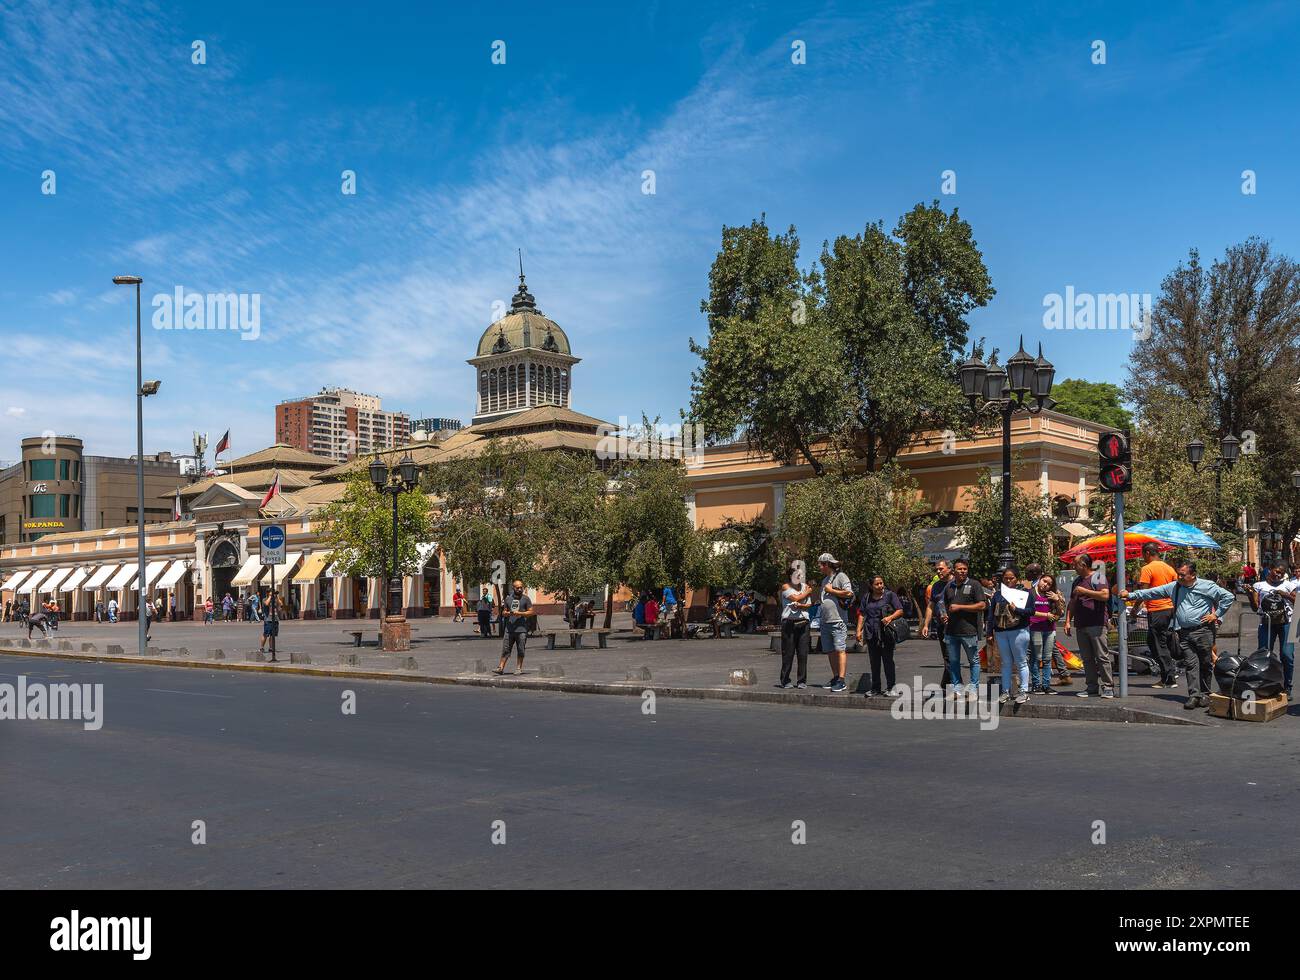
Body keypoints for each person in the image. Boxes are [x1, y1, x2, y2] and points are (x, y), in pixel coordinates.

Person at [1123, 560, 1235, 709]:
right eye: (1178, 575)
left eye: (1183, 575)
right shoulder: (1174, 587)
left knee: (1205, 663)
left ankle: (1205, 694)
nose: (1179, 578)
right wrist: (1130, 595)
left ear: (1193, 575)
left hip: (1204, 631)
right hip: (1184, 632)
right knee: (1191, 664)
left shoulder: (1206, 586)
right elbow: (1152, 592)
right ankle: (1194, 695)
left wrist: (1217, 615)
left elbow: (1228, 597)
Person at [1130, 542, 1180, 688]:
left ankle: (1169, 678)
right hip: (1169, 609)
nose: (1142, 557)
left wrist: (1135, 610)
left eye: (1142, 554)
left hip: (1157, 610)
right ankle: (1168, 674)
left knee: (1158, 643)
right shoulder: (1169, 568)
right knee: (1154, 641)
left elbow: (1143, 593)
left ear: (1147, 553)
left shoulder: (1147, 568)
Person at [1064, 556, 1114, 699]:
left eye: (1076, 565)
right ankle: (1092, 687)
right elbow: (1072, 603)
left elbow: (1105, 595)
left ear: (1084, 565)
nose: (1074, 567)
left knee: (1102, 656)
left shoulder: (1098, 578)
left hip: (1096, 623)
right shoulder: (1077, 582)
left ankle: (1108, 686)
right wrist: (1068, 621)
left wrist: (1085, 592)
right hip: (1081, 624)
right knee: (1087, 658)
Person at [1248, 561, 1296, 697]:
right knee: (1263, 655)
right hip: (1266, 623)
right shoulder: (1259, 585)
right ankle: (1265, 684)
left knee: (1287, 655)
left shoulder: (1288, 585)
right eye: (1276, 571)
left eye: (1281, 573)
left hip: (1288, 623)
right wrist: (1249, 594)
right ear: (1270, 569)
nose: (1278, 575)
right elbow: (1255, 607)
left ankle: (1287, 686)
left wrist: (1285, 594)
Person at [940, 558, 984, 700]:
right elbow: (945, 606)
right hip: (951, 631)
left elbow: (982, 605)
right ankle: (957, 688)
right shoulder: (949, 587)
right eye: (960, 569)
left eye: (965, 569)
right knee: (953, 661)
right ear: (954, 570)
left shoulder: (974, 585)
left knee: (974, 661)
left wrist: (960, 607)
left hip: (969, 631)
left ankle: (973, 688)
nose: (963, 571)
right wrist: (944, 615)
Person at [988, 566, 1032, 704]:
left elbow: (1031, 611)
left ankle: (1024, 691)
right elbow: (991, 615)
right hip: (1001, 632)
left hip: (1019, 631)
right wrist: (989, 632)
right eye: (1006, 578)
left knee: (1021, 661)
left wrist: (1017, 609)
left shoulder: (1025, 593)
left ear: (1017, 578)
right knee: (1005, 663)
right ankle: (1005, 691)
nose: (1008, 580)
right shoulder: (998, 594)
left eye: (1011, 578)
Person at [856, 575, 904, 698]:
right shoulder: (867, 598)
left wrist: (890, 617)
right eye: (877, 584)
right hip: (871, 633)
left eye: (881, 583)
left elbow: (900, 610)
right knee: (874, 662)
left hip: (886, 633)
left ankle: (891, 687)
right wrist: (858, 631)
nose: (880, 586)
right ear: (871, 586)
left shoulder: (890, 595)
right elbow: (862, 614)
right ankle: (875, 688)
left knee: (888, 661)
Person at [817, 554, 854, 693]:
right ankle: (835, 676)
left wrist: (831, 590)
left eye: (821, 564)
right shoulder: (825, 580)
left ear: (827, 564)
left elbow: (849, 593)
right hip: (825, 621)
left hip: (838, 620)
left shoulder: (841, 577)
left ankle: (842, 680)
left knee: (840, 650)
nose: (819, 567)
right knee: (830, 650)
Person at [1027, 573, 1063, 694]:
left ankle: (1046, 685)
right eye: (1044, 581)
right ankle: (1036, 684)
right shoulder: (1030, 593)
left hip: (1049, 629)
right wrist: (1045, 615)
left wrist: (1057, 600)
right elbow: (1029, 611)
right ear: (1040, 579)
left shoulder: (1052, 595)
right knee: (1036, 658)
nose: (1045, 585)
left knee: (1047, 659)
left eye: (1049, 584)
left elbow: (1060, 613)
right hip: (1035, 628)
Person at [777, 567, 812, 689]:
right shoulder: (786, 587)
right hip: (789, 622)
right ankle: (785, 679)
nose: (799, 577)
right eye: (797, 575)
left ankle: (801, 680)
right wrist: (807, 593)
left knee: (803, 653)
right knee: (788, 652)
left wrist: (801, 605)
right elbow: (795, 598)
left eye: (800, 575)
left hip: (803, 621)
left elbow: (809, 604)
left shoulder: (804, 586)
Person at [922, 560, 954, 696]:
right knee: (948, 657)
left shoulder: (956, 584)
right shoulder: (936, 586)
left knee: (959, 658)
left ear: (950, 569)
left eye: (941, 569)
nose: (938, 571)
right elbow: (931, 606)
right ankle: (949, 685)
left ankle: (948, 685)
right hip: (942, 627)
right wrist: (926, 624)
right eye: (937, 570)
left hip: (959, 627)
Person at [494, 580, 533, 674]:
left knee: (521, 649)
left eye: (521, 587)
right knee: (506, 649)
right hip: (509, 629)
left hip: (522, 629)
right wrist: (506, 613)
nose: (520, 589)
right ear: (513, 588)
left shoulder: (526, 599)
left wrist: (520, 613)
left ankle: (518, 668)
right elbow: (504, 612)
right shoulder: (508, 599)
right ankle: (500, 668)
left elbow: (531, 612)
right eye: (517, 588)